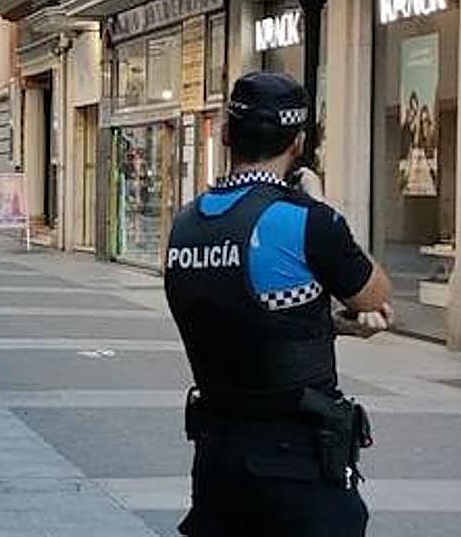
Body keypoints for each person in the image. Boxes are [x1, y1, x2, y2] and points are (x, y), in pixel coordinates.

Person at [165, 71, 394, 536]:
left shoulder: (185, 225)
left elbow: (246, 314)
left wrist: (333, 324)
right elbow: (375, 293)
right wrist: (322, 205)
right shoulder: (304, 220)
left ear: (228, 135)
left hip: (216, 463)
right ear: (298, 143)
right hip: (297, 469)